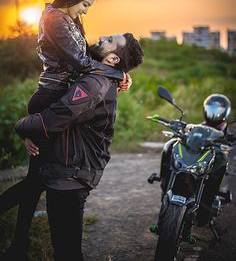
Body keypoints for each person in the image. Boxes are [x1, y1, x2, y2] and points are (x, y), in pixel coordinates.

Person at [0, 0, 130, 260]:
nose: (86, 10)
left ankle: (18, 246)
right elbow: (80, 62)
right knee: (37, 179)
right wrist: (115, 71)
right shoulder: (55, 19)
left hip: (55, 96)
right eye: (85, 4)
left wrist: (118, 68)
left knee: (38, 177)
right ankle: (17, 245)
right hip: (50, 98)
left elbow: (88, 54)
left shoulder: (67, 20)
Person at [14, 33, 144, 261]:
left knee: (67, 253)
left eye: (110, 40)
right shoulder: (97, 75)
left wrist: (21, 126)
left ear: (113, 59)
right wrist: (120, 73)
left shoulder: (94, 85)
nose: (103, 37)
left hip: (70, 176)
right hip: (67, 170)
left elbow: (50, 121)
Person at [159, 93, 232, 226]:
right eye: (212, 108)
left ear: (225, 112)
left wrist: (228, 142)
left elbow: (229, 144)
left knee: (222, 158)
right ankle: (165, 182)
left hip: (208, 164)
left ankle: (206, 205)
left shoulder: (227, 134)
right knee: (170, 145)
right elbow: (189, 135)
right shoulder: (199, 128)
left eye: (219, 110)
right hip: (194, 160)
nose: (215, 112)